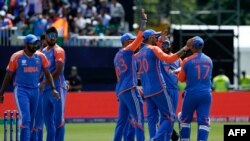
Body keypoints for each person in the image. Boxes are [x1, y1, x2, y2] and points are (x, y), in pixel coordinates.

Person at [0, 34, 59, 141]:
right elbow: (8, 75)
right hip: (21, 90)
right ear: (27, 44)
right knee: (26, 118)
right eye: (33, 43)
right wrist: (1, 93)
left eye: (37, 43)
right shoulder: (16, 56)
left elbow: (48, 73)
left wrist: (53, 88)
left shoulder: (41, 56)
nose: (36, 45)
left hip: (35, 90)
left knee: (31, 121)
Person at [136, 29, 189, 141]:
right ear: (150, 38)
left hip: (147, 90)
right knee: (170, 116)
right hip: (159, 88)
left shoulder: (139, 54)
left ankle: (155, 137)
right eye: (155, 37)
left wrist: (160, 41)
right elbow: (169, 58)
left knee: (152, 119)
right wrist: (185, 48)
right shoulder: (154, 49)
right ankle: (157, 139)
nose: (157, 39)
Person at [113, 8, 147, 141]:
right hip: (130, 89)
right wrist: (143, 21)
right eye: (131, 41)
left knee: (121, 122)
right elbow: (140, 37)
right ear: (127, 43)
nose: (135, 43)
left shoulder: (118, 55)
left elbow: (118, 76)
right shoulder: (128, 51)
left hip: (121, 91)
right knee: (139, 119)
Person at [178, 36, 213, 141]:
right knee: (204, 121)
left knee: (185, 120)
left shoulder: (187, 60)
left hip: (191, 93)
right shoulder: (209, 60)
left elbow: (181, 79)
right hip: (206, 94)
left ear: (192, 47)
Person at [40, 27, 67, 141]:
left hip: (57, 87)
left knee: (58, 120)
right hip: (46, 90)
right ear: (46, 36)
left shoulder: (58, 50)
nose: (52, 38)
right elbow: (42, 71)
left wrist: (45, 82)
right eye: (50, 35)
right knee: (47, 120)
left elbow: (59, 71)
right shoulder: (43, 52)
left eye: (55, 36)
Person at [159, 39, 181, 141]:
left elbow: (183, 72)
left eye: (167, 45)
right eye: (163, 45)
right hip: (162, 89)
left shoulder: (177, 59)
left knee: (171, 116)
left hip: (174, 89)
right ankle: (168, 136)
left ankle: (170, 135)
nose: (165, 47)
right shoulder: (158, 58)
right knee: (164, 116)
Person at [32, 34, 48, 141]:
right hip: (35, 88)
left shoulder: (50, 53)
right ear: (42, 42)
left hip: (44, 88)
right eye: (44, 41)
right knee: (35, 117)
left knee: (42, 118)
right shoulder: (37, 54)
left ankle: (39, 139)